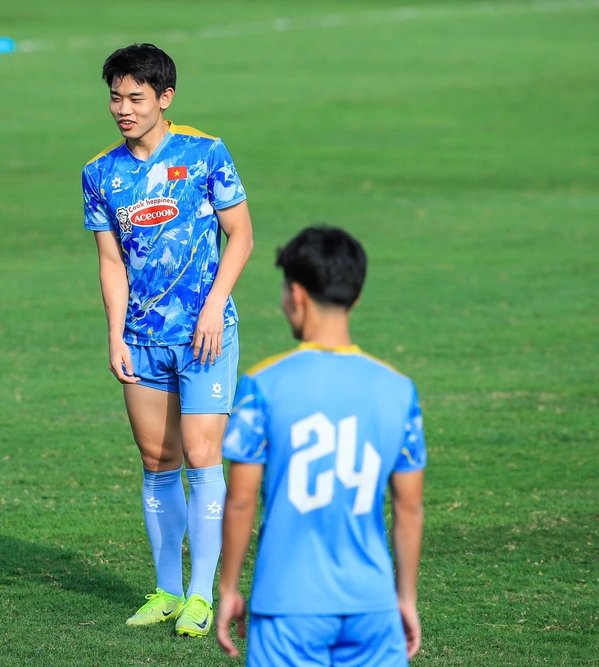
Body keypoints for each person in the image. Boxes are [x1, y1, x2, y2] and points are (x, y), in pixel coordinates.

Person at [82, 43, 254, 637]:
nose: (123, 109)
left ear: (165, 97)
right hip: (142, 339)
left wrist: (214, 309)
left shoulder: (205, 153)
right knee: (158, 461)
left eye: (135, 98)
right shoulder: (99, 173)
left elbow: (241, 236)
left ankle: (202, 596)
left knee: (203, 457)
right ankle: (166, 591)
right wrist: (115, 335)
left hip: (205, 336)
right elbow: (110, 261)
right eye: (115, 98)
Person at [215, 226, 426, 666]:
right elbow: (408, 508)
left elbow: (240, 500)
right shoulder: (398, 390)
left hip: (287, 605)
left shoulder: (262, 385)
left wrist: (230, 588)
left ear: (296, 294)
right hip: (372, 606)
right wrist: (404, 598)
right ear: (355, 297)